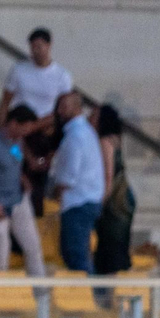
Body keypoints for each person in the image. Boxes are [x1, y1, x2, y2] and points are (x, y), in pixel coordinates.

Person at [0, 106, 47, 295]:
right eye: (25, 128)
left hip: (18, 201)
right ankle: (0, 294)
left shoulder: (17, 141)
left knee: (33, 246)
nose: (27, 133)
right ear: (13, 123)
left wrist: (23, 178)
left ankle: (41, 293)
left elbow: (15, 159)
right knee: (1, 247)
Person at [49, 92, 103, 273]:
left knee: (76, 256)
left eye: (64, 106)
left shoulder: (75, 136)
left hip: (77, 202)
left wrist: (56, 193)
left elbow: (68, 176)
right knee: (77, 254)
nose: (59, 111)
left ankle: (88, 289)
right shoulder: (86, 132)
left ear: (76, 107)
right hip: (87, 199)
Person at [0, 28, 73, 125]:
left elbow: (64, 109)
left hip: (45, 126)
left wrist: (35, 126)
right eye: (32, 47)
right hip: (18, 123)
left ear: (48, 45)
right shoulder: (18, 70)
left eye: (39, 47)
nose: (35, 51)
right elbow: (5, 101)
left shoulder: (62, 75)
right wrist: (0, 126)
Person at [94, 104, 135, 278]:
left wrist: (102, 201)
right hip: (123, 192)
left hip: (115, 199)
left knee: (111, 247)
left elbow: (108, 174)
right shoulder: (116, 139)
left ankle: (112, 285)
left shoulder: (105, 142)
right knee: (119, 245)